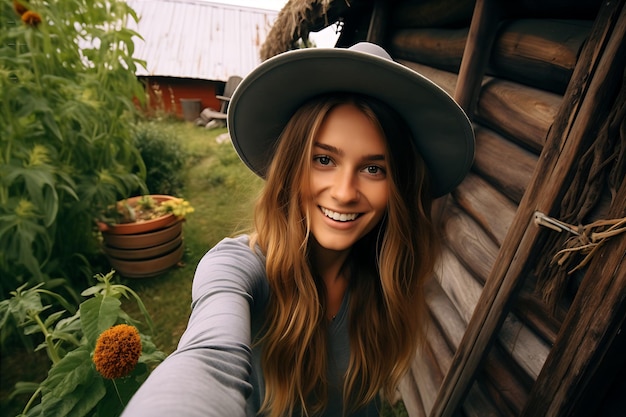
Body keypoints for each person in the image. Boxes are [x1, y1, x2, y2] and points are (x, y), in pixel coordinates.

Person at [122, 42, 474, 417]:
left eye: (373, 169)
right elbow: (208, 360)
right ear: (291, 166)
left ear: (398, 187)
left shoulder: (382, 276)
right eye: (324, 159)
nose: (343, 193)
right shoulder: (237, 268)